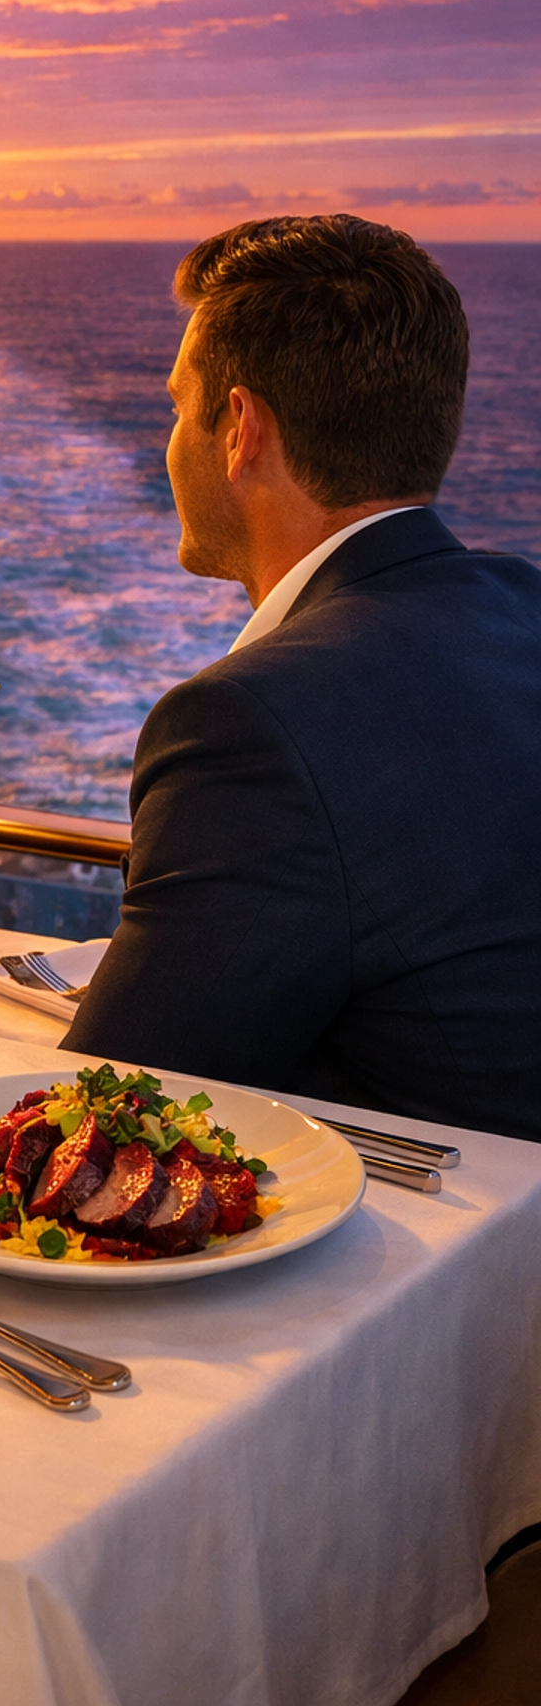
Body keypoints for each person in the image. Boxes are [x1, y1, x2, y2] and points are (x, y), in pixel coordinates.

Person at [65, 215, 541, 1141]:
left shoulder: (252, 723)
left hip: (442, 1255)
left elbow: (117, 1116)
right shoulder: (521, 604)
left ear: (239, 429)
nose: (170, 440)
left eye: (175, 405)